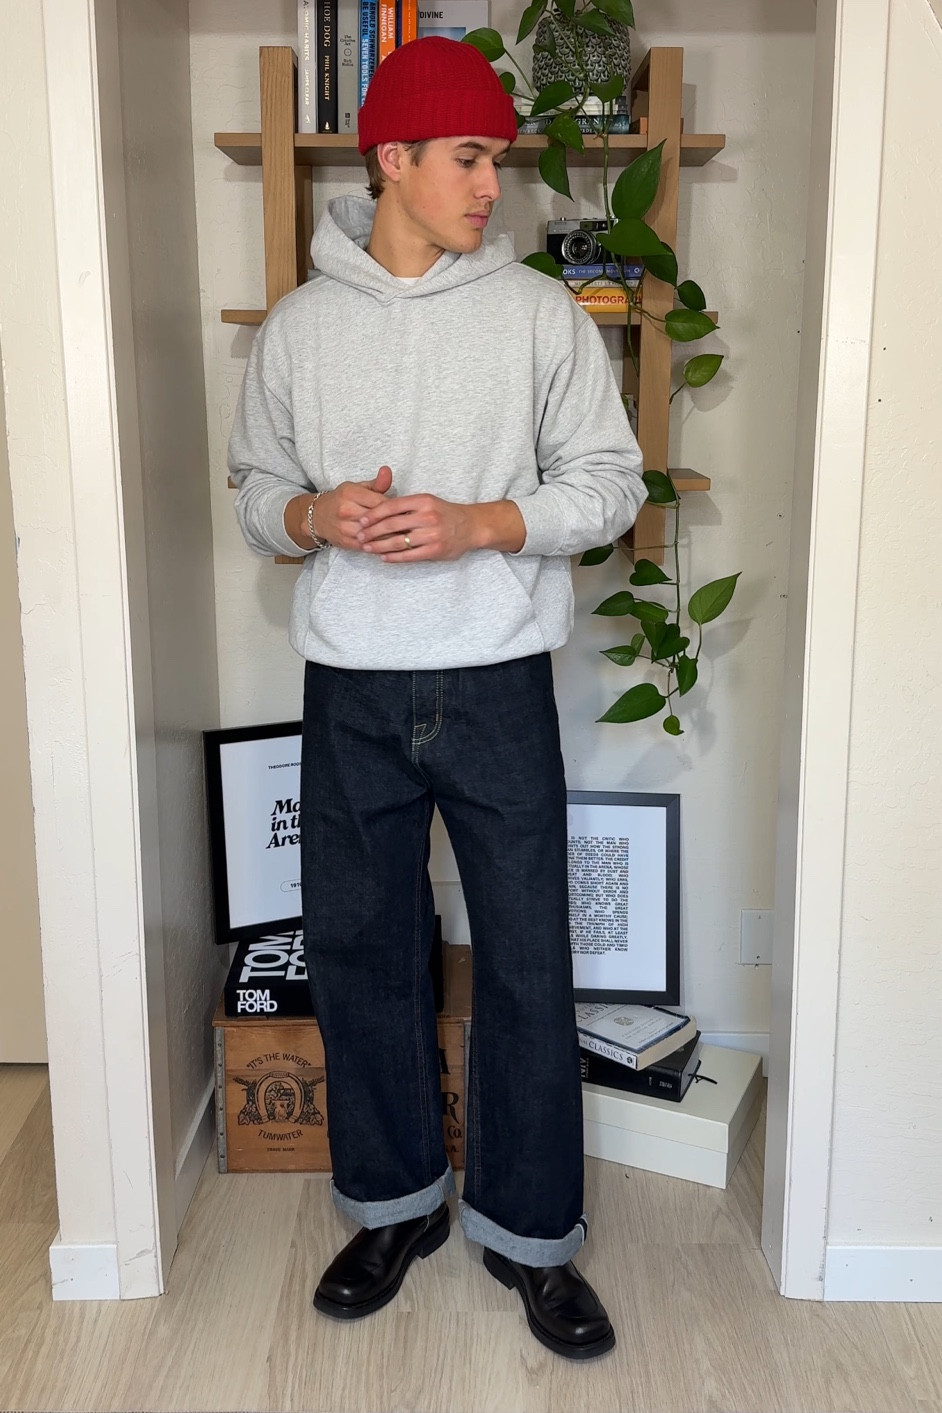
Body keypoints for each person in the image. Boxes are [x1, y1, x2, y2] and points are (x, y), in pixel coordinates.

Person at [227, 35, 645, 1361]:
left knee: (525, 954)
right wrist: (313, 513)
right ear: (392, 159)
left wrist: (482, 522)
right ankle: (393, 1206)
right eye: (467, 158)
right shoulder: (300, 328)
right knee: (361, 950)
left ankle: (532, 1233)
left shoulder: (535, 316)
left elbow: (611, 483)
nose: (488, 186)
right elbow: (254, 489)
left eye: (495, 160)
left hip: (497, 675)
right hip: (349, 684)